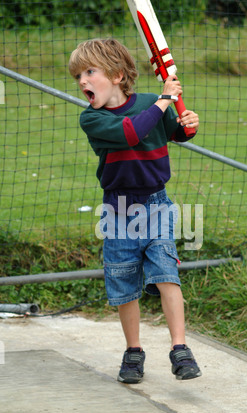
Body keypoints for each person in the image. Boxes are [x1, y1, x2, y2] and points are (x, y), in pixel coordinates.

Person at [69, 38, 202, 383]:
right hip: (118, 211)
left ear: (115, 75)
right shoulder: (92, 119)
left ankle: (179, 348)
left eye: (89, 72)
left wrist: (187, 125)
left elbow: (174, 131)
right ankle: (134, 351)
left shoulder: (149, 103)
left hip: (156, 204)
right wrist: (164, 100)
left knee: (165, 270)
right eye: (78, 76)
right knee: (124, 280)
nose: (82, 81)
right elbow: (132, 132)